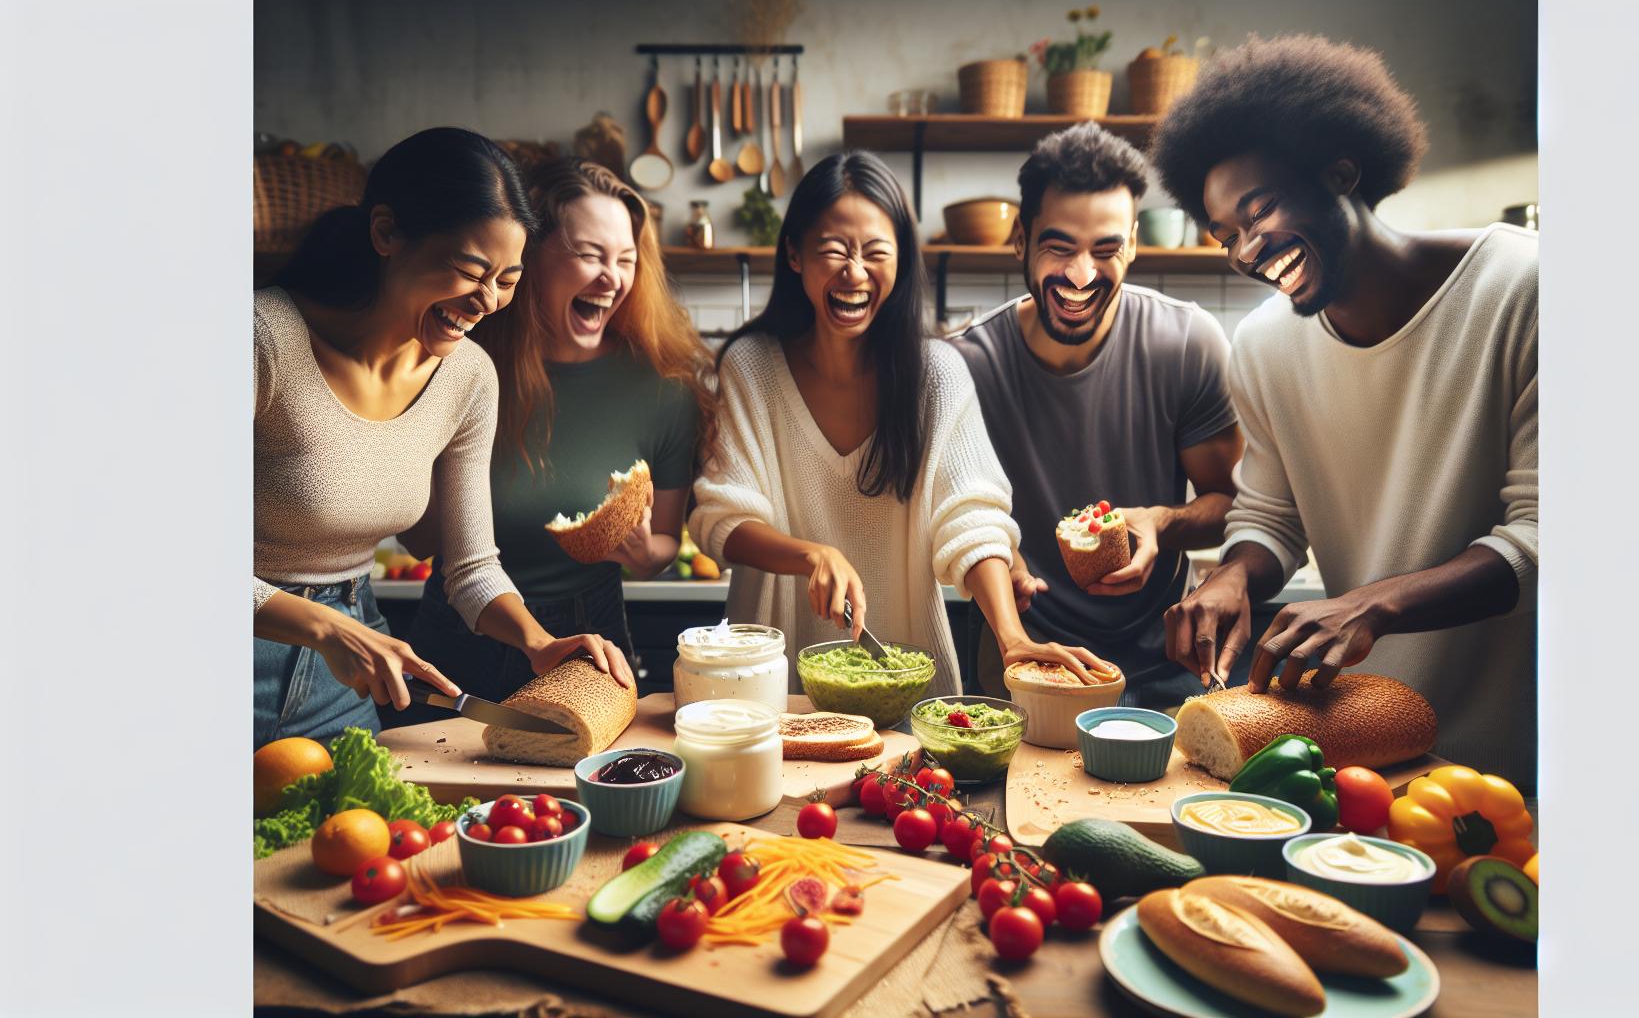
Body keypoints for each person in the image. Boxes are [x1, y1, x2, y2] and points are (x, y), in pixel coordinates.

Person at [1153, 35, 1538, 787]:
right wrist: (1233, 577)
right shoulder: (1264, 346)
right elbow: (1271, 517)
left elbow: (1552, 536)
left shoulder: (1523, 287)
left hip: (1518, 761)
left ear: (1340, 171)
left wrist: (1371, 604)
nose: (1245, 249)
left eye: (1258, 211)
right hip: (1365, 756)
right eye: (1226, 234)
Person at [253, 127, 632, 750]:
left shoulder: (468, 375)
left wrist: (538, 642)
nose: (486, 300)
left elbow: (471, 568)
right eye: (470, 270)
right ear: (385, 234)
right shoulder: (264, 340)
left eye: (507, 279)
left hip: (349, 673)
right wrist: (323, 627)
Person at [690, 151, 1110, 696]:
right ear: (794, 253)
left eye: (875, 253)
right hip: (773, 689)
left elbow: (972, 517)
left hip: (913, 689)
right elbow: (724, 516)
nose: (854, 272)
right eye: (834, 250)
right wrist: (813, 554)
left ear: (901, 262)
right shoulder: (752, 366)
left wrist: (1012, 638)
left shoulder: (936, 373)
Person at [401, 158, 713, 707]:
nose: (610, 277)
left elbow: (665, 538)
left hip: (586, 631)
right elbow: (420, 540)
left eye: (625, 260)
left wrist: (647, 554)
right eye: (590, 254)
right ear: (530, 259)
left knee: (586, 788)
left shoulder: (663, 389)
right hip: (456, 625)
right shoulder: (462, 364)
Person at [952, 122, 1242, 710]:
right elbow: (946, 517)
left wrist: (1163, 521)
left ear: (1133, 243)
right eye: (1059, 247)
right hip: (1025, 661)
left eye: (1106, 250)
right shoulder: (964, 366)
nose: (1082, 276)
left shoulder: (1187, 342)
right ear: (1020, 240)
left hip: (1169, 662)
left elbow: (1233, 503)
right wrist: (993, 553)